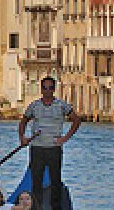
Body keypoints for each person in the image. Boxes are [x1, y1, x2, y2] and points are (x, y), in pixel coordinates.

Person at [18, 76, 80, 210]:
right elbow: (23, 121)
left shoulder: (62, 105)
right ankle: (36, 207)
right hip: (37, 148)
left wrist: (65, 138)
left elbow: (76, 120)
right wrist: (22, 138)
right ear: (41, 89)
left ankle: (56, 207)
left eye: (50, 88)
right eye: (45, 88)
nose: (47, 91)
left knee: (55, 180)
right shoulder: (34, 105)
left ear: (54, 89)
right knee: (36, 181)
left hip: (54, 148)